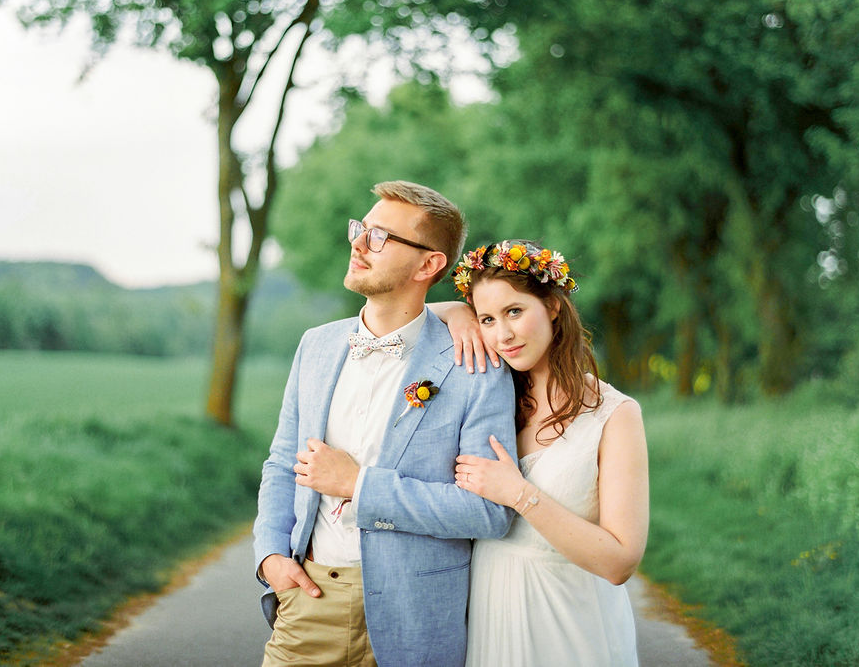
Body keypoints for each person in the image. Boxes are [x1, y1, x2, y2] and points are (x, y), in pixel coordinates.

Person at [252, 181, 517, 667]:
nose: (358, 243)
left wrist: (359, 485)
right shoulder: (316, 345)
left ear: (429, 264)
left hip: (416, 618)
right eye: (361, 228)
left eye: (380, 236)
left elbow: (488, 513)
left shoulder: (475, 365)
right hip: (309, 604)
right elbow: (280, 463)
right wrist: (271, 556)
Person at [441, 239, 649, 666]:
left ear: (553, 306)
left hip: (569, 624)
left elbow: (620, 562)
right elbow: (397, 319)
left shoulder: (615, 414)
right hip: (491, 616)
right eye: (487, 319)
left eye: (514, 311)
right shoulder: (491, 400)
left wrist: (519, 494)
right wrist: (452, 313)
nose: (503, 334)